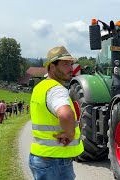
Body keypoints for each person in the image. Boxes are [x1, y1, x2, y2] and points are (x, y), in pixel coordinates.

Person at [29, 46, 84, 180]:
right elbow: (65, 114)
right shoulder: (57, 90)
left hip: (41, 157)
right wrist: (70, 133)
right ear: (52, 67)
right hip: (55, 162)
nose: (71, 68)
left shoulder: (40, 87)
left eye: (71, 64)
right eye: (65, 64)